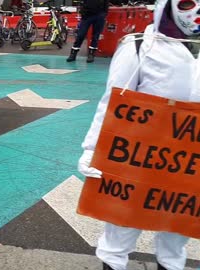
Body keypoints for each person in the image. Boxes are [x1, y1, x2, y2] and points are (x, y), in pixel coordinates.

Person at [77, 0, 200, 269]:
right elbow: (113, 101)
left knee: (177, 230)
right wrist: (93, 148)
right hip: (138, 159)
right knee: (122, 224)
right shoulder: (139, 47)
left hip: (187, 164)